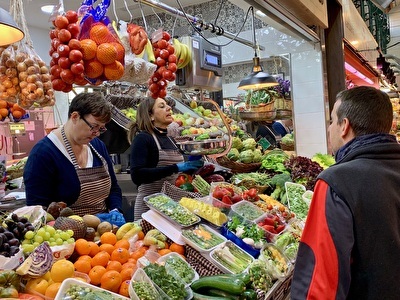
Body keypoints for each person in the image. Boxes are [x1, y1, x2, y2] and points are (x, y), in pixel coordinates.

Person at [291, 86, 400, 299]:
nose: (329, 128)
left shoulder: (336, 183)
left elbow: (319, 285)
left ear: (344, 126)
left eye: (331, 120)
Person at [23, 92, 125, 226]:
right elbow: (37, 211)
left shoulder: (97, 146)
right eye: (93, 127)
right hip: (65, 237)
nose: (96, 134)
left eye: (101, 129)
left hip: (104, 233)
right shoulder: (43, 154)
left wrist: (115, 210)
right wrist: (81, 222)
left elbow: (114, 188)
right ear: (75, 116)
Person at [128, 96, 203, 221]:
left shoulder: (170, 139)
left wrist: (191, 165)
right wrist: (176, 167)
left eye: (167, 105)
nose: (169, 108)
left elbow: (174, 175)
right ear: (150, 116)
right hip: (150, 208)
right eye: (162, 106)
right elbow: (137, 175)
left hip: (171, 207)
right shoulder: (143, 138)